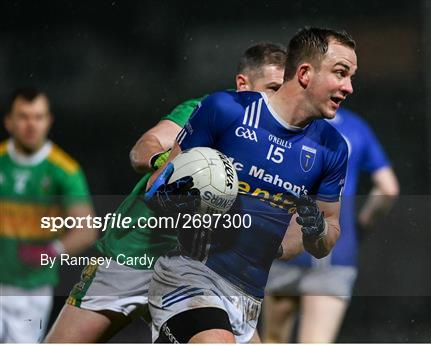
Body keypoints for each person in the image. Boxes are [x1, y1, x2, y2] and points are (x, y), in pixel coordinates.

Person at [44, 43, 287, 343]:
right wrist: (170, 164)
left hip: (198, 271)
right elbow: (142, 149)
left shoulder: (276, 144)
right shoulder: (206, 111)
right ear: (242, 84)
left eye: (283, 90)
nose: (277, 99)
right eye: (272, 88)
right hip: (135, 254)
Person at [145, 27, 356, 343]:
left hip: (248, 299)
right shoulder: (226, 110)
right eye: (341, 73)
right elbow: (155, 189)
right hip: (189, 278)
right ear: (304, 73)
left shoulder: (332, 148)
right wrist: (177, 194)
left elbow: (328, 228)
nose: (349, 87)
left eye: (351, 76)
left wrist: (315, 233)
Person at [263, 108, 400, 343]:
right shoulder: (355, 127)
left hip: (285, 244)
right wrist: (361, 226)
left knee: (273, 340)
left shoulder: (285, 120)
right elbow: (388, 189)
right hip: (335, 251)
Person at [0, 88, 96, 343]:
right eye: (23, 117)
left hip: (31, 291)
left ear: (48, 121)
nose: (31, 125)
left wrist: (52, 250)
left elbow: (87, 229)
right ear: (9, 121)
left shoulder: (64, 170)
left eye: (38, 117)